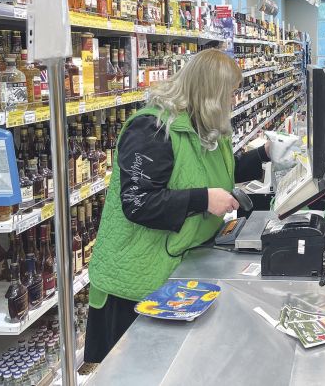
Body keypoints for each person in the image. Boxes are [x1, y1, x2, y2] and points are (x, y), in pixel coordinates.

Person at [86, 49, 294, 362]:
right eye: (230, 93)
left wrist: (264, 153)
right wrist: (203, 200)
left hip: (175, 267)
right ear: (210, 94)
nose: (234, 100)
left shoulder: (204, 126)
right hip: (135, 281)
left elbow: (220, 172)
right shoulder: (153, 130)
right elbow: (139, 202)